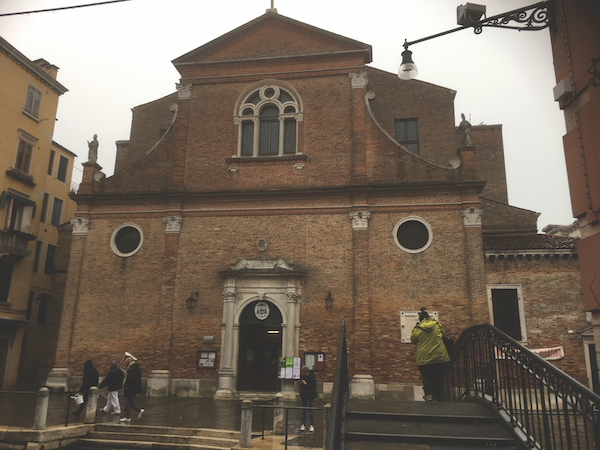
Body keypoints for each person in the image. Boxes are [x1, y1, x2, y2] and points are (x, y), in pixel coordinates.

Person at [410, 307, 450, 401]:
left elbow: (413, 340)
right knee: (438, 375)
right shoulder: (437, 325)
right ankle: (438, 395)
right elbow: (443, 335)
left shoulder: (417, 328)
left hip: (424, 357)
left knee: (426, 376)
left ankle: (429, 395)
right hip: (439, 355)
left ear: (420, 318)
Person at [120, 356, 144, 422]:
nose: (126, 363)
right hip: (134, 388)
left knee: (128, 402)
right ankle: (137, 411)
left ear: (129, 362)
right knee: (129, 401)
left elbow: (131, 379)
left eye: (127, 362)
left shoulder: (132, 369)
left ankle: (129, 416)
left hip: (131, 389)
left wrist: (126, 387)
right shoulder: (136, 368)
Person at [299, 365, 317, 432]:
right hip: (303, 395)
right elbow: (302, 386)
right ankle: (303, 424)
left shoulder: (312, 377)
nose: (303, 373)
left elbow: (314, 386)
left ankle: (311, 425)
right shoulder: (303, 377)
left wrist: (306, 384)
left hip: (310, 395)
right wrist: (301, 383)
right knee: (303, 410)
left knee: (310, 410)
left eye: (304, 372)